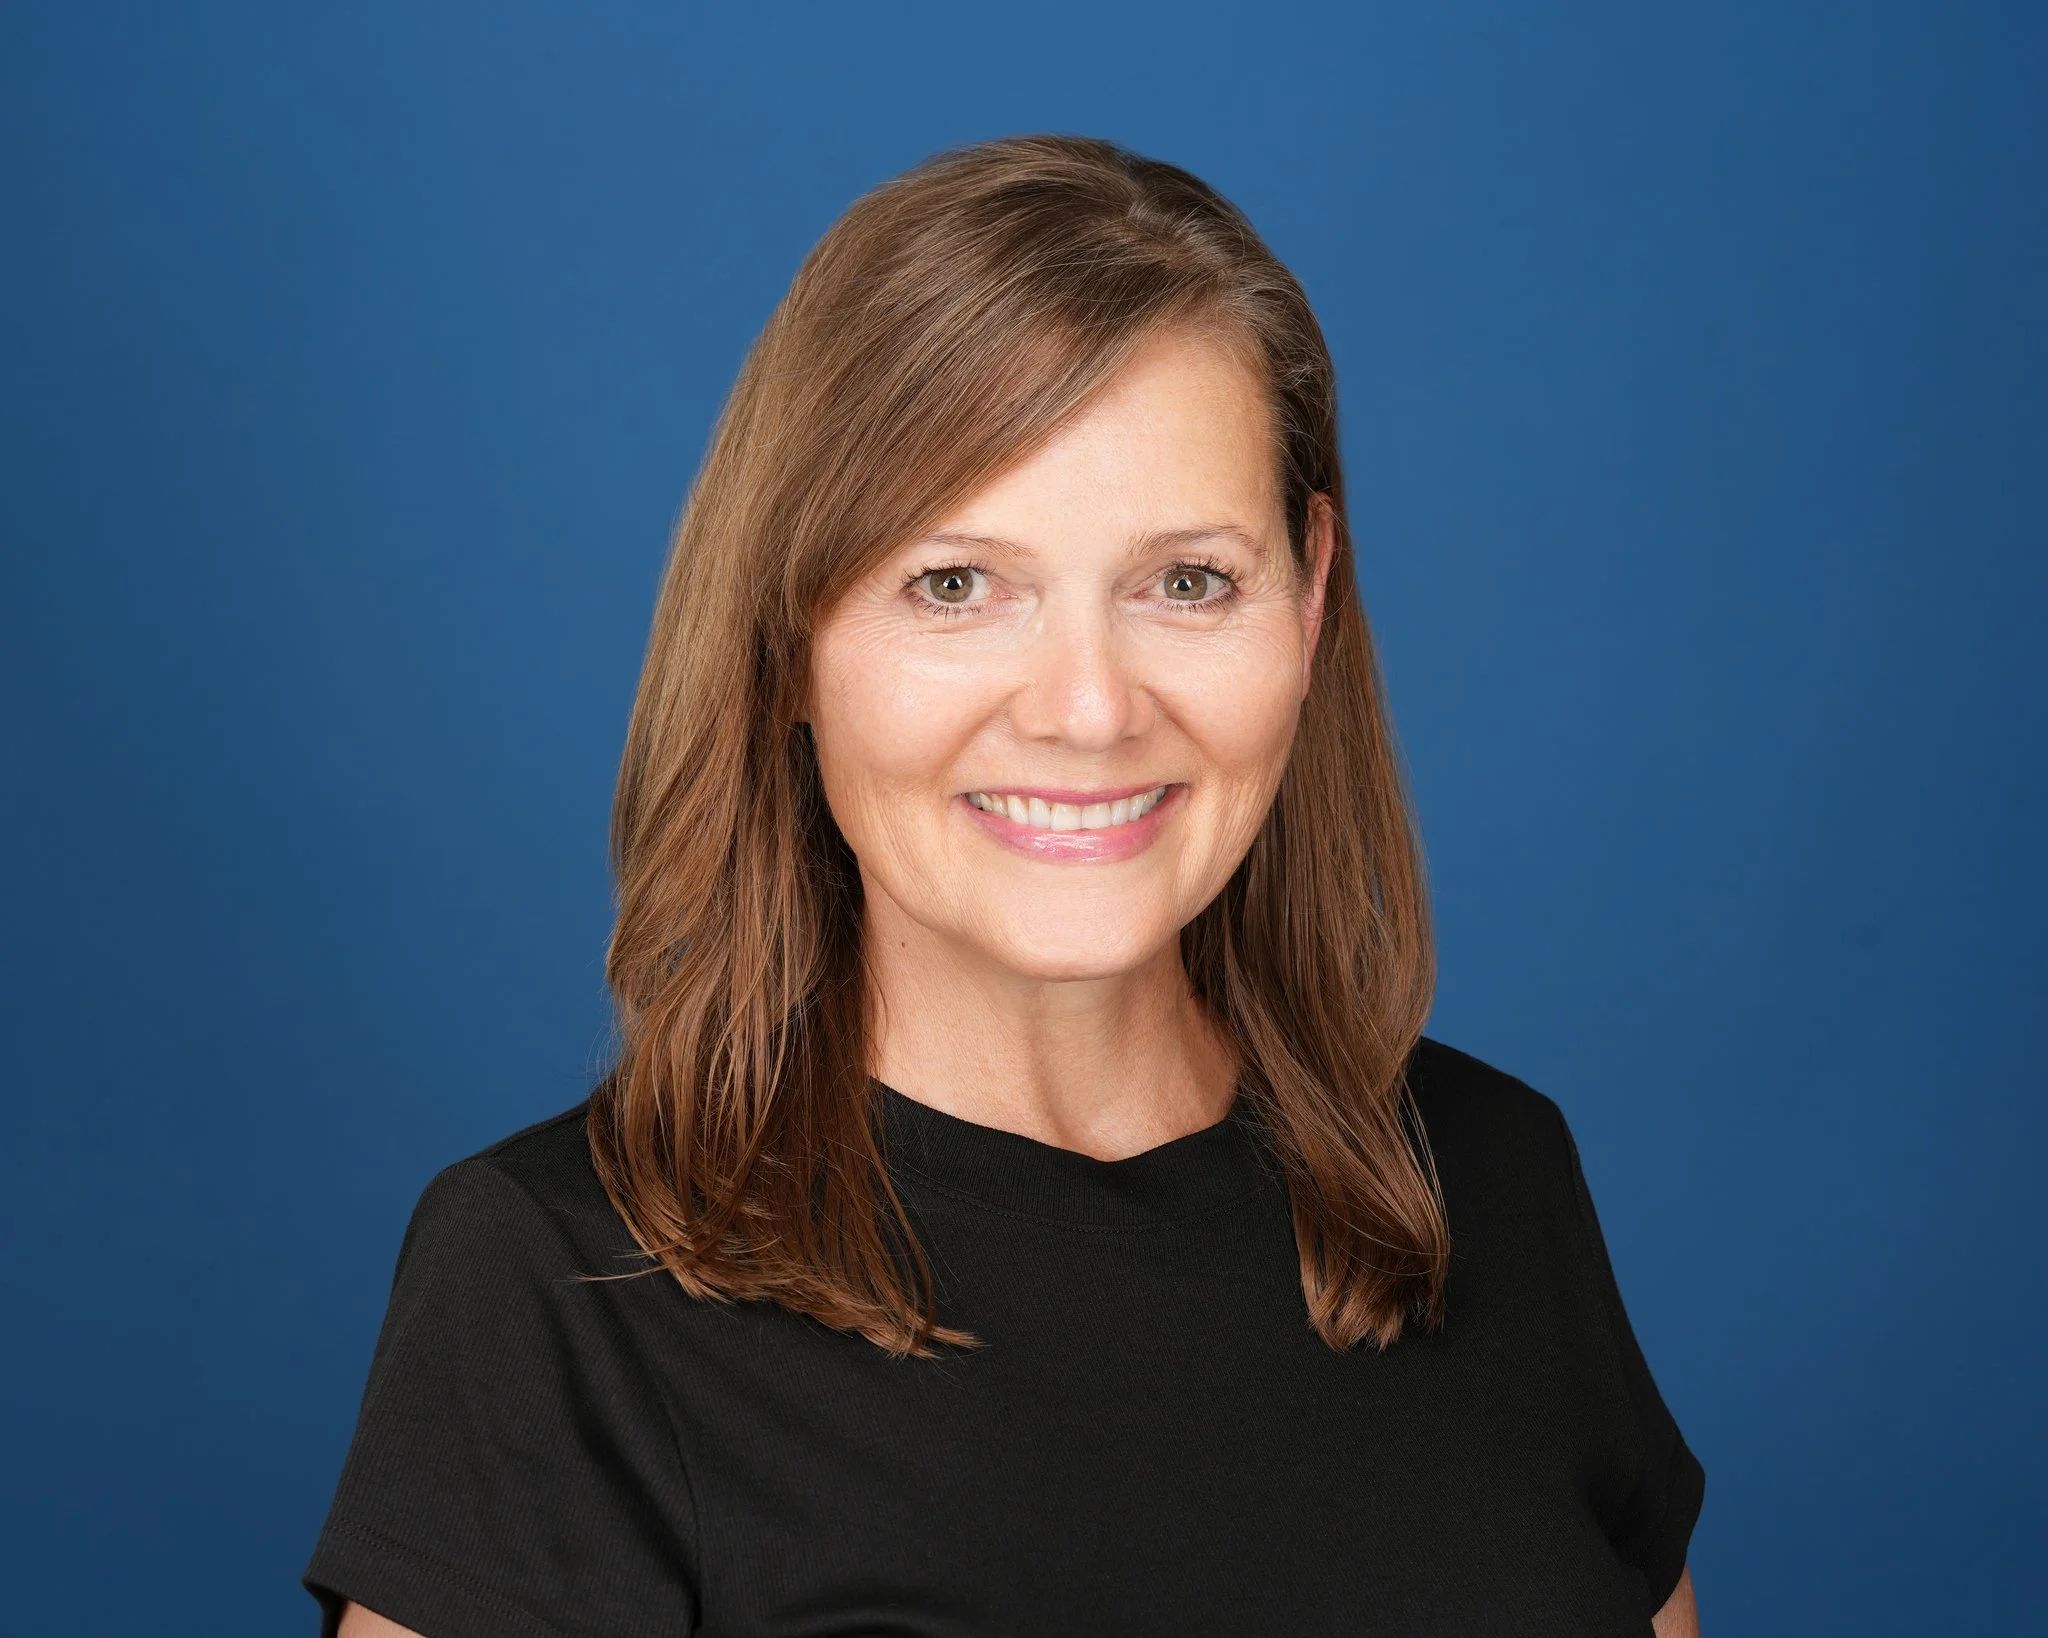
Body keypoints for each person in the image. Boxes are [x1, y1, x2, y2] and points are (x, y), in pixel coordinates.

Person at [302, 132, 1706, 1637]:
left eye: (1187, 582)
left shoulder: (1492, 1181)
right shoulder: (555, 1292)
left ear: (1312, 600)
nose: (1089, 708)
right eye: (957, 584)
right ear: (786, 640)